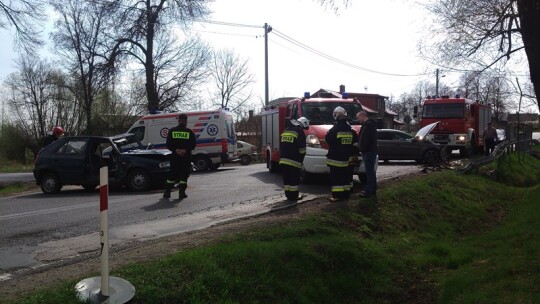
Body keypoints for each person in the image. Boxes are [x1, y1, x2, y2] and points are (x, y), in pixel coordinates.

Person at [325, 106, 357, 202]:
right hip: (346, 159)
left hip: (336, 159)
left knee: (336, 178)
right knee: (346, 178)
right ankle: (346, 194)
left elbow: (328, 140)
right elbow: (355, 144)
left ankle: (337, 196)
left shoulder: (335, 129)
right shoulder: (351, 130)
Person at [163, 114, 196, 200]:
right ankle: (181, 193)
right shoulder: (190, 132)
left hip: (175, 157)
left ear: (178, 121)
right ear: (186, 121)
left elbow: (168, 144)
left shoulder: (172, 131)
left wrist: (176, 150)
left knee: (172, 174)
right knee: (184, 175)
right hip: (186, 157)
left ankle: (167, 192)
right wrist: (185, 150)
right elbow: (193, 144)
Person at [279, 117, 309, 201]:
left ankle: (288, 196)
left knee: (286, 178)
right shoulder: (299, 131)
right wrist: (301, 160)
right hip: (294, 161)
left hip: (283, 160)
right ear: (303, 124)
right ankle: (294, 196)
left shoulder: (286, 130)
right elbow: (302, 149)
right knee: (294, 179)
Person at [356, 111, 378, 198]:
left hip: (368, 151)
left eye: (358, 118)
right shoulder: (367, 125)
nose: (358, 120)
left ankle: (368, 192)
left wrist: (362, 148)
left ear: (362, 116)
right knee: (371, 172)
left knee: (369, 173)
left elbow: (367, 139)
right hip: (369, 151)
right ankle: (372, 190)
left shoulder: (368, 125)